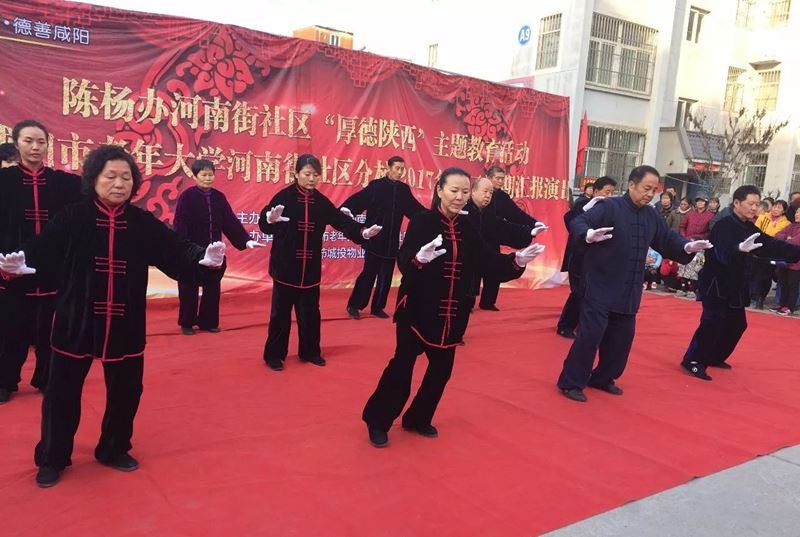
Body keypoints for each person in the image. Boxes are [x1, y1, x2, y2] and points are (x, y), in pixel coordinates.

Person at [0, 145, 226, 487]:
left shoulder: (141, 222)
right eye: (111, 177)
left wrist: (204, 260)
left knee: (126, 392)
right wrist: (15, 268)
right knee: (61, 396)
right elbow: (38, 253)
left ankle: (114, 447)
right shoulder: (72, 217)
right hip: (75, 321)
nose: (119, 184)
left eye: (126, 177)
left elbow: (175, 248)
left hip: (125, 323)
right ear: (93, 179)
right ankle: (53, 456)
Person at [361, 167, 545, 447]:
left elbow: (486, 261)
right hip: (417, 310)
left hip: (451, 313)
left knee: (441, 371)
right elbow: (405, 259)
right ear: (439, 190)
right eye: (454, 190)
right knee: (402, 367)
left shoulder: (468, 227)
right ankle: (378, 421)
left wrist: (516, 261)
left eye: (464, 192)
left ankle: (418, 418)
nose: (459, 197)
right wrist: (419, 258)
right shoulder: (422, 222)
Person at [555, 165, 712, 402]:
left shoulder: (651, 215)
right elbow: (579, 221)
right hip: (600, 284)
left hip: (629, 287)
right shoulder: (609, 206)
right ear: (631, 184)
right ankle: (571, 382)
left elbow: (666, 238)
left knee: (621, 340)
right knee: (590, 336)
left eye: (653, 190)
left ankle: (603, 378)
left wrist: (687, 246)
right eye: (646, 188)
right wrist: (587, 234)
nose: (650, 194)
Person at [258, 154, 382, 371]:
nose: (312, 179)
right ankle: (274, 355)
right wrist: (269, 220)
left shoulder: (321, 201)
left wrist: (362, 232)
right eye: (307, 174)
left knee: (311, 314)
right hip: (285, 268)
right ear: (296, 174)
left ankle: (310, 351)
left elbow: (341, 221)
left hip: (310, 269)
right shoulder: (284, 197)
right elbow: (266, 222)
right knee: (280, 314)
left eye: (316, 175)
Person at [0, 120, 82, 405]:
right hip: (11, 267)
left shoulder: (63, 183)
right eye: (28, 141)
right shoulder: (4, 181)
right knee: (11, 330)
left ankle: (47, 378)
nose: (35, 147)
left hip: (53, 268)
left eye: (41, 142)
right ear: (17, 144)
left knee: (51, 330)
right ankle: (5, 381)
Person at [680, 186, 800, 380]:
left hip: (736, 285)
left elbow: (770, 245)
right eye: (750, 203)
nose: (754, 208)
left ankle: (714, 356)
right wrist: (738, 249)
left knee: (737, 324)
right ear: (736, 203)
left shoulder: (748, 227)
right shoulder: (723, 225)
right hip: (716, 284)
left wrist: (796, 252)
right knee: (712, 323)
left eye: (757, 204)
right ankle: (693, 360)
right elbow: (722, 253)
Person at [172, 159, 265, 335]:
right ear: (195, 176)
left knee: (213, 288)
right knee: (188, 288)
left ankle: (208, 322)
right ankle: (187, 323)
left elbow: (230, 221)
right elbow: (180, 224)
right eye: (204, 175)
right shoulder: (187, 197)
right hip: (191, 251)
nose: (208, 178)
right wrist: (180, 249)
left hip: (214, 253)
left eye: (211, 175)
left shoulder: (219, 198)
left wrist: (246, 240)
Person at [341, 156, 425, 320]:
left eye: (402, 169)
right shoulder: (376, 186)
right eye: (397, 168)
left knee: (386, 277)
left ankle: (378, 307)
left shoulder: (403, 190)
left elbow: (415, 209)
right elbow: (358, 200)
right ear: (388, 167)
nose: (399, 172)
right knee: (368, 274)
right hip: (374, 239)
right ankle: (354, 305)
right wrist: (347, 209)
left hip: (392, 242)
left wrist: (431, 217)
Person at [463, 177, 541, 333]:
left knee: (493, 273)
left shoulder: (488, 213)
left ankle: (487, 303)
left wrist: (529, 231)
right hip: (463, 258)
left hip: (487, 250)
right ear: (473, 191)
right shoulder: (462, 211)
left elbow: (505, 227)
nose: (488, 196)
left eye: (490, 193)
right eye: (485, 191)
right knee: (466, 288)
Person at [557, 176, 617, 339]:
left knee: (593, 294)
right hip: (579, 256)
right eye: (607, 192)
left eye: (612, 193)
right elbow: (570, 220)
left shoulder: (612, 209)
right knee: (579, 292)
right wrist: (587, 209)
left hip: (599, 258)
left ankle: (585, 325)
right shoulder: (583, 204)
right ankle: (565, 326)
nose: (610, 196)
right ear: (596, 191)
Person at [479, 165, 541, 311]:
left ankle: (488, 302)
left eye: (502, 179)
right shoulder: (478, 193)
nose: (500, 181)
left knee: (493, 268)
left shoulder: (502, 197)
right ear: (488, 178)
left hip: (493, 237)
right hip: (477, 235)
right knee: (472, 271)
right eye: (497, 178)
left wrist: (533, 223)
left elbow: (516, 214)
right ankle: (467, 302)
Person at [751, 200, 791, 309]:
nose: (775, 209)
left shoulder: (786, 223)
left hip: (772, 252)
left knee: (765, 276)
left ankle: (760, 298)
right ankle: (751, 295)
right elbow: (755, 231)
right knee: (753, 273)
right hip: (758, 248)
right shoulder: (763, 217)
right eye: (774, 206)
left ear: (783, 211)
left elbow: (782, 237)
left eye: (779, 207)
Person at [773, 208, 800, 315]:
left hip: (796, 262)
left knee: (792, 285)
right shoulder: (791, 225)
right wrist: (787, 237)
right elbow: (777, 235)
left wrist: (787, 239)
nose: (797, 214)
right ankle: (781, 304)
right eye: (797, 212)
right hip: (784, 260)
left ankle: (789, 307)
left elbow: (795, 242)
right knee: (783, 283)